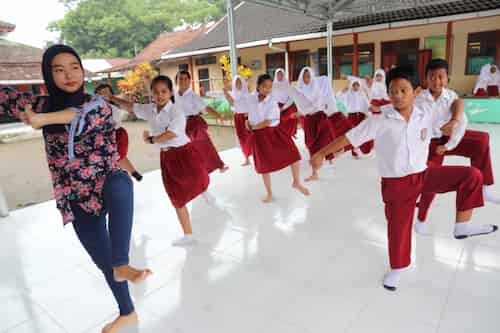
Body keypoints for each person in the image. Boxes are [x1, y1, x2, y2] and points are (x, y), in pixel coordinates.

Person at [0, 44, 152, 333]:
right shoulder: (40, 104)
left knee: (122, 183)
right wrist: (32, 112)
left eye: (74, 67)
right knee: (103, 261)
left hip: (105, 181)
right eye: (59, 69)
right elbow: (5, 97)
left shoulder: (99, 105)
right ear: (48, 74)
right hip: (75, 196)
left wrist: (42, 120)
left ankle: (122, 261)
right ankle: (127, 312)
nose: (69, 74)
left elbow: (80, 117)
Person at [311, 65, 497, 291]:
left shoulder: (425, 114)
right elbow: (349, 138)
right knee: (398, 229)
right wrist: (321, 153)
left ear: (416, 92)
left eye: (403, 90)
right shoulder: (380, 120)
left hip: (424, 174)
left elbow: (458, 102)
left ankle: (462, 226)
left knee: (471, 175)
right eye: (393, 91)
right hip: (396, 185)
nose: (397, 96)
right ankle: (398, 268)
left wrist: (454, 122)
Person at [111, 76, 209, 247]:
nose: (160, 95)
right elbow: (131, 107)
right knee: (176, 197)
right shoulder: (150, 109)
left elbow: (172, 133)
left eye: (164, 91)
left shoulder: (176, 111)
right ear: (151, 94)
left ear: (170, 92)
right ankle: (188, 236)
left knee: (198, 181)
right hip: (167, 157)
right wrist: (112, 98)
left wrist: (151, 140)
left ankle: (203, 191)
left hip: (184, 153)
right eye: (155, 92)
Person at [415, 59, 500, 233]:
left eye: (441, 77)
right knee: (431, 183)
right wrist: (441, 139)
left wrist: (450, 143)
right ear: (426, 80)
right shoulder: (420, 100)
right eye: (432, 77)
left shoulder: (451, 96)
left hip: (447, 140)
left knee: (481, 140)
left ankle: (485, 187)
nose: (437, 81)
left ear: (447, 79)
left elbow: (462, 123)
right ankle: (421, 220)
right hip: (430, 144)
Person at [246, 74, 310, 203]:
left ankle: (296, 182)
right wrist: (246, 121)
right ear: (258, 86)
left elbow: (268, 122)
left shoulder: (272, 101)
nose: (267, 89)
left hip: (273, 132)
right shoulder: (250, 98)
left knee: (294, 153)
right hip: (259, 136)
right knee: (263, 166)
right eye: (264, 86)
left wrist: (252, 128)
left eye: (270, 87)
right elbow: (247, 114)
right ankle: (269, 193)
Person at [175, 71, 229, 173]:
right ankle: (199, 172)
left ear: (189, 81)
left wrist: (219, 116)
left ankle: (218, 165)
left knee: (204, 145)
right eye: (180, 79)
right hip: (179, 125)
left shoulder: (193, 96)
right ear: (176, 81)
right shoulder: (173, 95)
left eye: (185, 79)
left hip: (193, 124)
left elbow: (206, 108)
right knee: (188, 151)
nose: (183, 81)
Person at [95, 83, 143, 181]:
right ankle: (133, 172)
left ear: (111, 95)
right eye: (100, 93)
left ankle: (131, 173)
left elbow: (110, 124)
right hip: (105, 136)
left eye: (106, 92)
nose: (103, 95)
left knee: (119, 156)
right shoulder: (95, 108)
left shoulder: (113, 108)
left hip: (118, 134)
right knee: (115, 158)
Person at [295, 67, 336, 180]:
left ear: (312, 76)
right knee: (311, 145)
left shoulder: (318, 88)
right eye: (304, 77)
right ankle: (315, 173)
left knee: (326, 140)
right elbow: (300, 106)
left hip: (320, 117)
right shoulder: (299, 89)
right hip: (308, 120)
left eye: (308, 76)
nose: (306, 79)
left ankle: (328, 157)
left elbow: (326, 100)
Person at [336, 79, 373, 157]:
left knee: (362, 133)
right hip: (351, 116)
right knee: (353, 134)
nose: (355, 87)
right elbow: (338, 97)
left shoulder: (362, 94)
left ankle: (362, 149)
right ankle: (354, 152)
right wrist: (343, 91)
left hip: (361, 116)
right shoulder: (348, 94)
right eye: (354, 85)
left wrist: (367, 114)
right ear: (351, 85)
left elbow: (367, 105)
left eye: (357, 85)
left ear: (359, 86)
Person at [223, 75, 252, 166]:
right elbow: (230, 102)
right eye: (236, 82)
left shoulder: (247, 94)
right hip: (238, 118)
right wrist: (225, 91)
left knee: (251, 137)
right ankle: (246, 158)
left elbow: (252, 107)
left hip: (247, 117)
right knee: (242, 138)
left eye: (239, 82)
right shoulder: (233, 94)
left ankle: (256, 155)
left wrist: (247, 118)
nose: (238, 84)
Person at [273, 68, 299, 138]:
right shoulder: (272, 86)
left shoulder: (288, 86)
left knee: (292, 112)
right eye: (278, 75)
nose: (280, 76)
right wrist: (277, 107)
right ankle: (278, 133)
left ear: (284, 75)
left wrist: (283, 108)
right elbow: (270, 98)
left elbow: (291, 98)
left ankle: (290, 132)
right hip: (276, 105)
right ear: (276, 75)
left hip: (286, 105)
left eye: (281, 74)